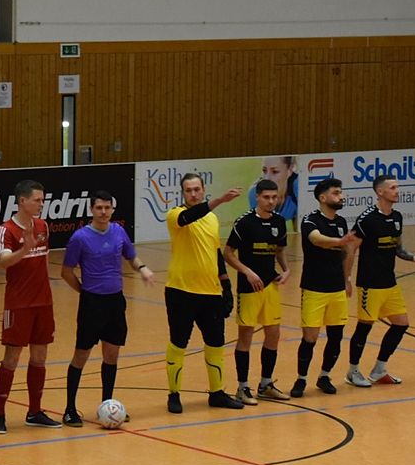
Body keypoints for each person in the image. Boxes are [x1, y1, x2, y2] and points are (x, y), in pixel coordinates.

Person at [60, 190, 154, 426]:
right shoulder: (80, 238)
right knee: (81, 355)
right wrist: (84, 291)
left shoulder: (119, 231)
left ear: (112, 209)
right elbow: (66, 271)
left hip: (115, 302)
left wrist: (143, 268)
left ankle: (107, 405)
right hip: (92, 304)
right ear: (91, 210)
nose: (103, 212)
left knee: (111, 355)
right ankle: (70, 409)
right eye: (99, 208)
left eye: (107, 208)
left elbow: (131, 257)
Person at [164, 173, 246, 413]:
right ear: (182, 193)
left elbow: (215, 253)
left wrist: (226, 286)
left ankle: (217, 393)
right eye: (188, 190)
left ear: (203, 190)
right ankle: (174, 394)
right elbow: (191, 216)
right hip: (181, 291)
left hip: (210, 292)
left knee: (215, 343)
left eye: (197, 189)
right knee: (179, 342)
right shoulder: (175, 215)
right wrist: (220, 200)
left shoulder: (212, 219)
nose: (193, 194)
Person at [0, 180, 62, 434]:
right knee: (12, 358)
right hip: (18, 304)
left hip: (43, 302)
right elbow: (3, 261)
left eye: (43, 200)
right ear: (22, 201)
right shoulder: (6, 229)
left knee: (40, 356)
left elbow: (43, 261)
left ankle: (35, 411)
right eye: (37, 200)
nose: (41, 204)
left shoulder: (42, 226)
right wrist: (25, 249)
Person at [344, 175, 415, 387]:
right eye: (393, 187)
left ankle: (379, 369)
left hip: (390, 282)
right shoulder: (367, 219)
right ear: (380, 192)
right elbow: (351, 249)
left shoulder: (397, 217)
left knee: (401, 324)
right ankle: (353, 371)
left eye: (397, 187)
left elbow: (397, 247)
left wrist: (412, 257)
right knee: (364, 327)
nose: (397, 191)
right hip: (369, 283)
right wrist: (347, 278)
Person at [223, 179, 291, 405]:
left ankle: (266, 384)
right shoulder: (244, 222)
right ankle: (242, 387)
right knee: (246, 336)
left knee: (273, 334)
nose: (271, 201)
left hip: (270, 285)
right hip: (249, 287)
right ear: (257, 197)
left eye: (274, 197)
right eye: (266, 197)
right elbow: (228, 253)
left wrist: (286, 269)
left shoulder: (280, 221)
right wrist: (247, 272)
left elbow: (279, 250)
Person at [290, 178, 354, 398]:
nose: (341, 196)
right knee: (310, 337)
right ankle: (301, 379)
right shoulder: (310, 220)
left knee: (336, 336)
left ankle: (324, 376)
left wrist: (347, 278)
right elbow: (317, 240)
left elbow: (346, 253)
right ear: (323, 197)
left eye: (341, 192)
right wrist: (340, 241)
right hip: (314, 288)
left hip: (336, 288)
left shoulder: (341, 222)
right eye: (336, 193)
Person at [248, 157, 299, 229]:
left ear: (289, 171)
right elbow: (261, 229)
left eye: (275, 172)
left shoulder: (299, 187)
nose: (267, 178)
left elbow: (301, 229)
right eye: (264, 171)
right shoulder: (255, 192)